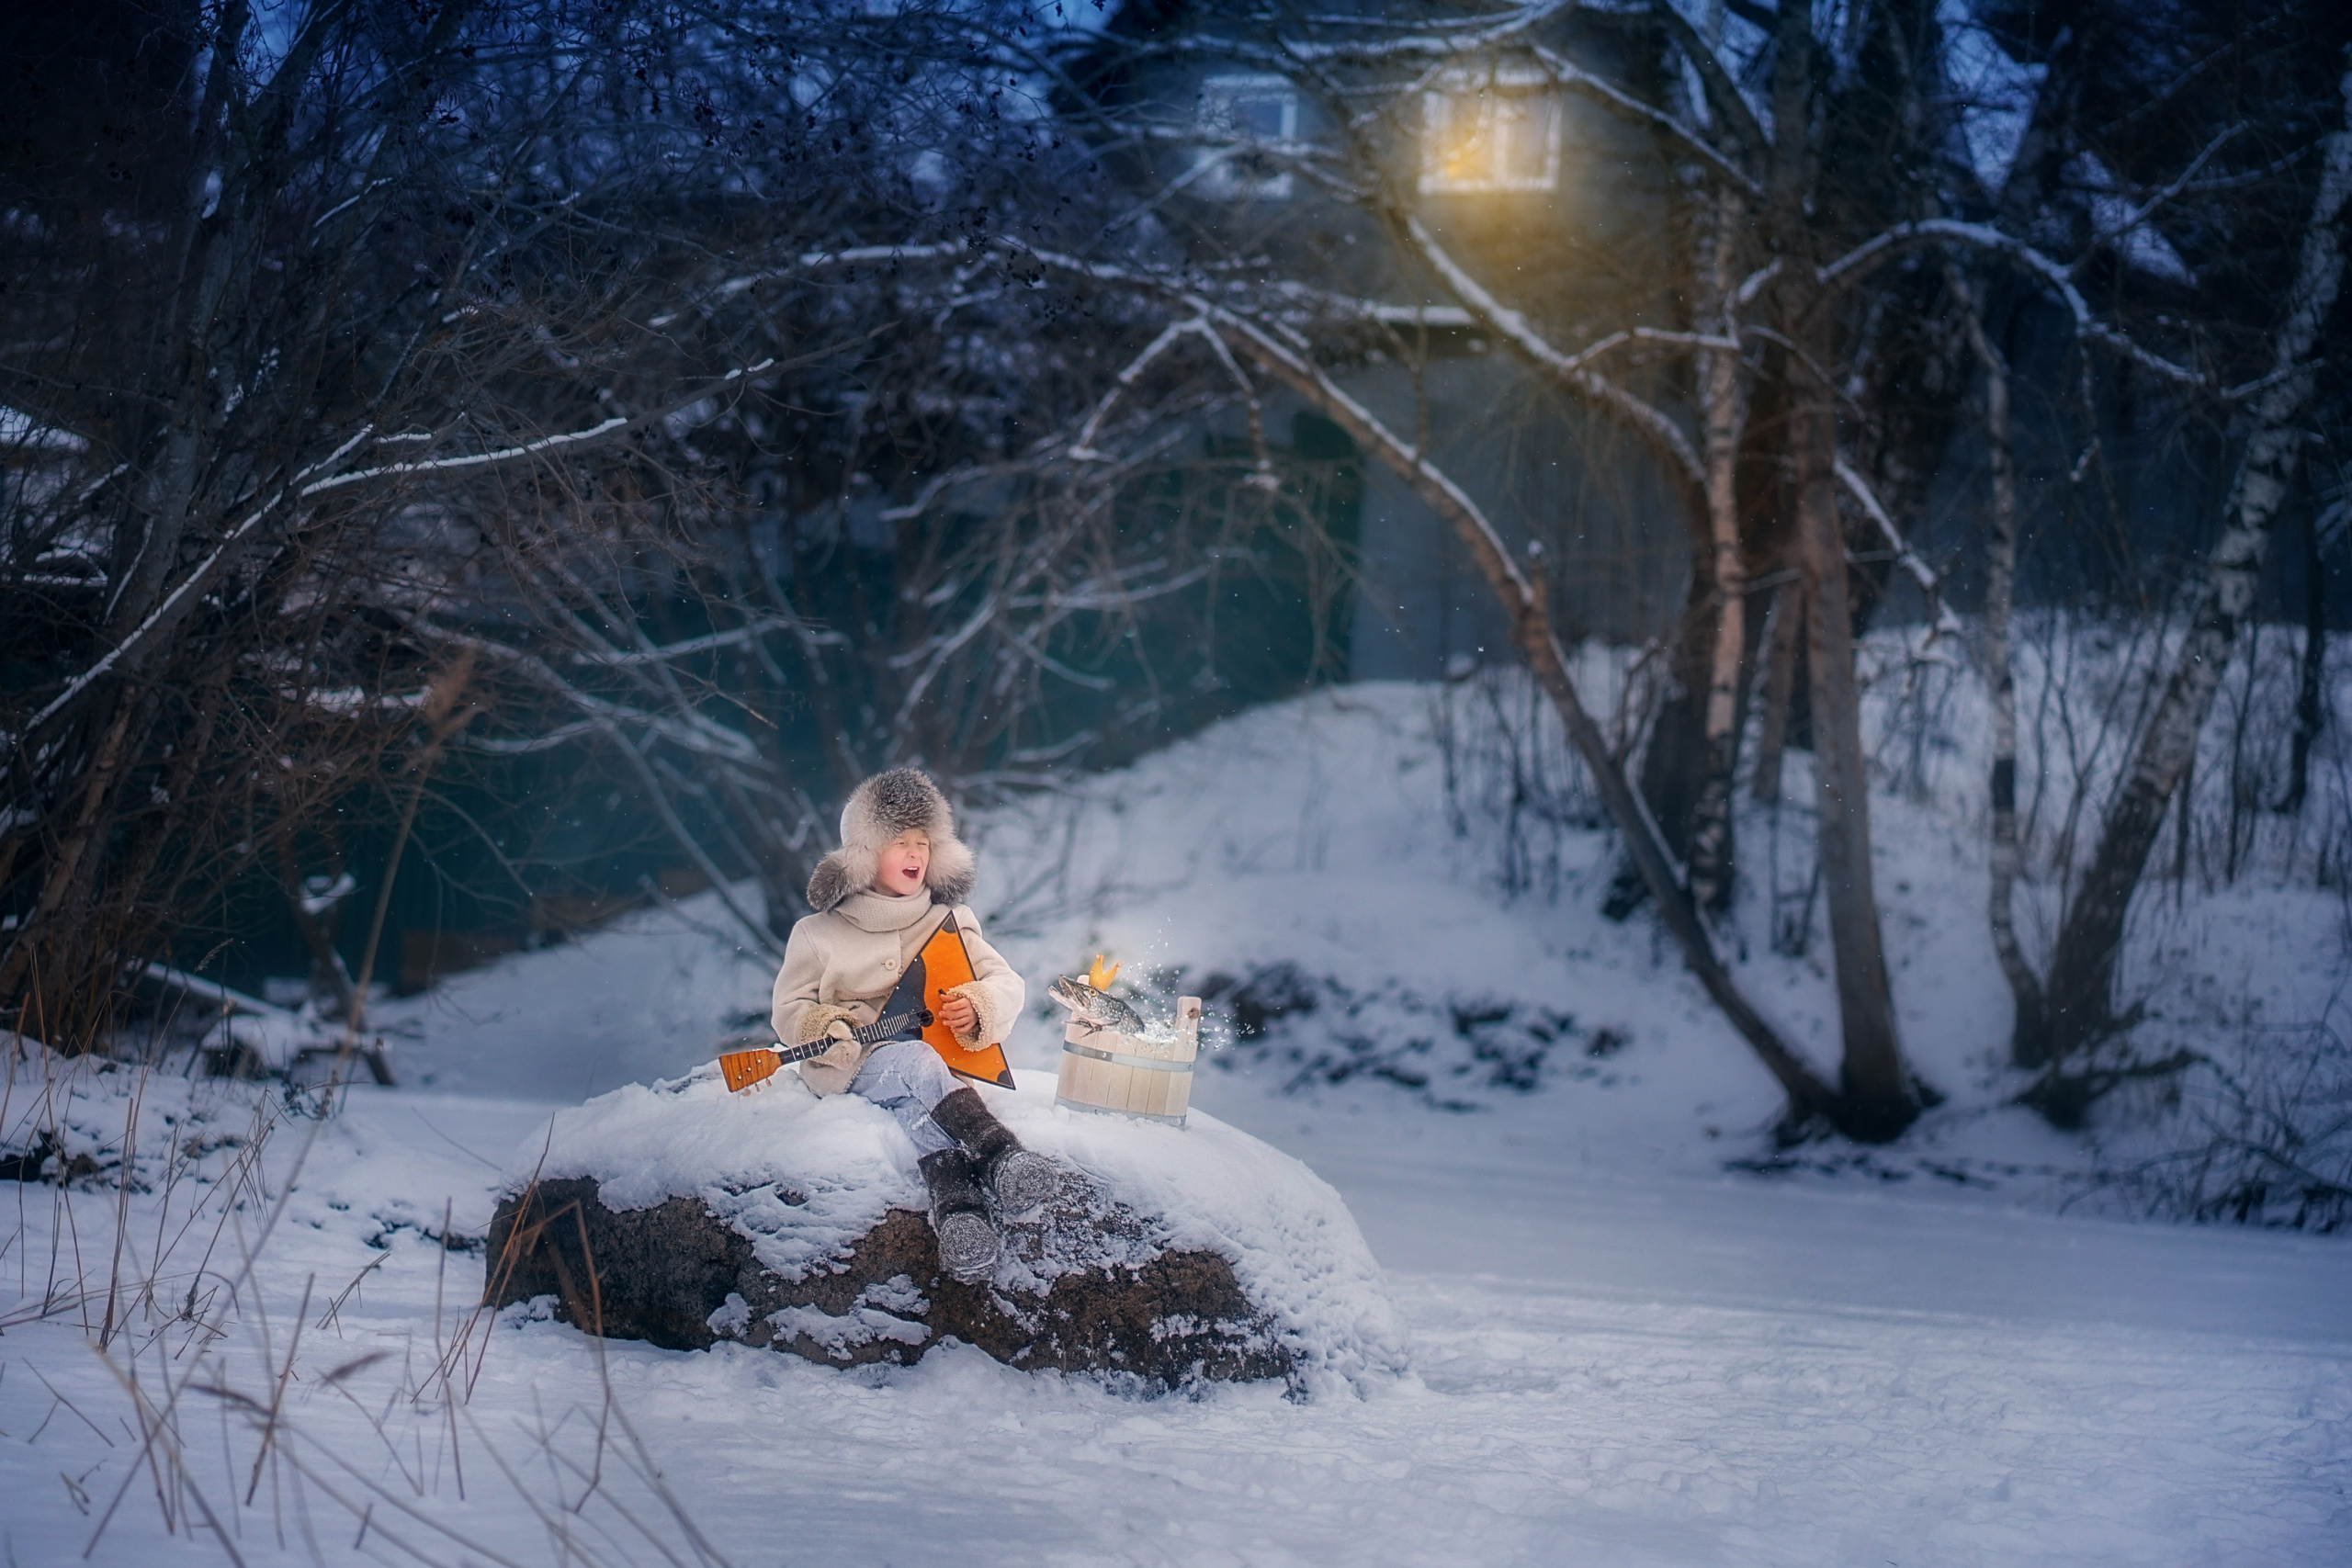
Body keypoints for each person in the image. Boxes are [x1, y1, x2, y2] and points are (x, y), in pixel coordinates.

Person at [769, 768, 1055, 1280]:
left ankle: (961, 1215)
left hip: (931, 1071)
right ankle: (999, 1152)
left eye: (923, 842)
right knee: (912, 1064)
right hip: (855, 1066)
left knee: (915, 1103)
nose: (916, 853)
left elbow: (1006, 982)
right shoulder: (816, 934)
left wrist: (980, 1004)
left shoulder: (951, 921)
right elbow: (789, 1007)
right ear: (865, 852)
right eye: (900, 841)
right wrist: (820, 1026)